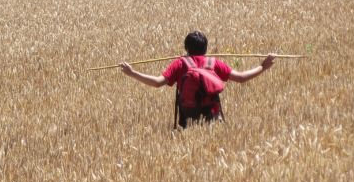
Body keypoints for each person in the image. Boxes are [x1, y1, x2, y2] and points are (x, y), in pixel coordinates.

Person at [119, 31, 277, 128]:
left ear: (186, 49)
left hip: (189, 114)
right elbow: (241, 78)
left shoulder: (180, 63)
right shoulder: (214, 63)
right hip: (212, 114)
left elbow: (157, 82)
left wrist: (132, 73)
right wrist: (264, 66)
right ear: (205, 49)